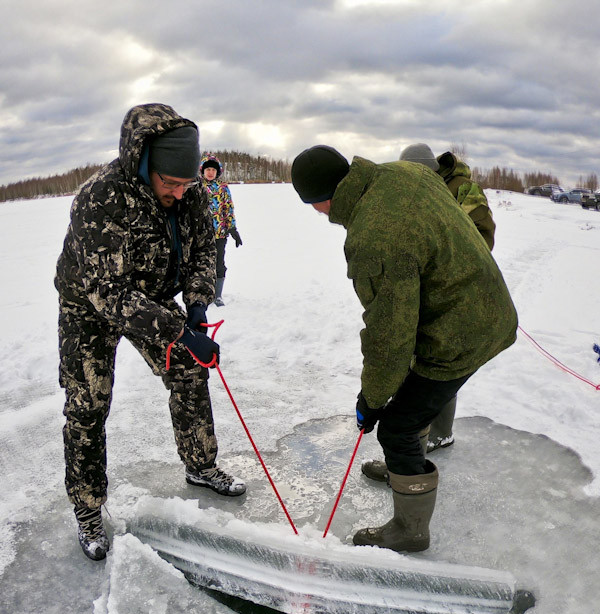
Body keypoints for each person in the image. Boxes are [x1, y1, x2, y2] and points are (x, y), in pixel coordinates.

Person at [291, 145, 517, 553]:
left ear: (322, 197)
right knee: (412, 396)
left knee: (397, 426)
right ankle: (403, 467)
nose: (318, 213)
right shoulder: (398, 175)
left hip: (461, 332)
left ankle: (410, 530)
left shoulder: (374, 237)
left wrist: (373, 398)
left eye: (313, 205)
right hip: (478, 309)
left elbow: (389, 332)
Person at [55, 103, 245, 562]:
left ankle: (200, 463)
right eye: (170, 183)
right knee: (88, 404)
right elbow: (110, 294)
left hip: (153, 298)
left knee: (188, 367)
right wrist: (179, 327)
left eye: (187, 183)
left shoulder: (192, 191)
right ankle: (88, 508)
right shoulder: (100, 198)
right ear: (144, 165)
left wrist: (197, 304)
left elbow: (204, 251)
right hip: (90, 306)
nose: (180, 193)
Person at [393, 143, 497, 457]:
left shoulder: (463, 190)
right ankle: (425, 434)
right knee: (422, 362)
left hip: (456, 292)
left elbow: (483, 236)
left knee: (437, 366)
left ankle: (430, 439)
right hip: (424, 289)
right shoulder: (417, 193)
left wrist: (440, 259)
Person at [200, 154, 242, 306]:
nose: (210, 172)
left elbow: (228, 209)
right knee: (202, 265)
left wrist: (233, 228)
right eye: (208, 169)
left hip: (220, 234)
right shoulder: (197, 186)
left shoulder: (223, 188)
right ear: (202, 171)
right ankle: (203, 295)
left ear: (218, 172)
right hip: (201, 234)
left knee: (219, 264)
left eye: (213, 169)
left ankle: (217, 296)